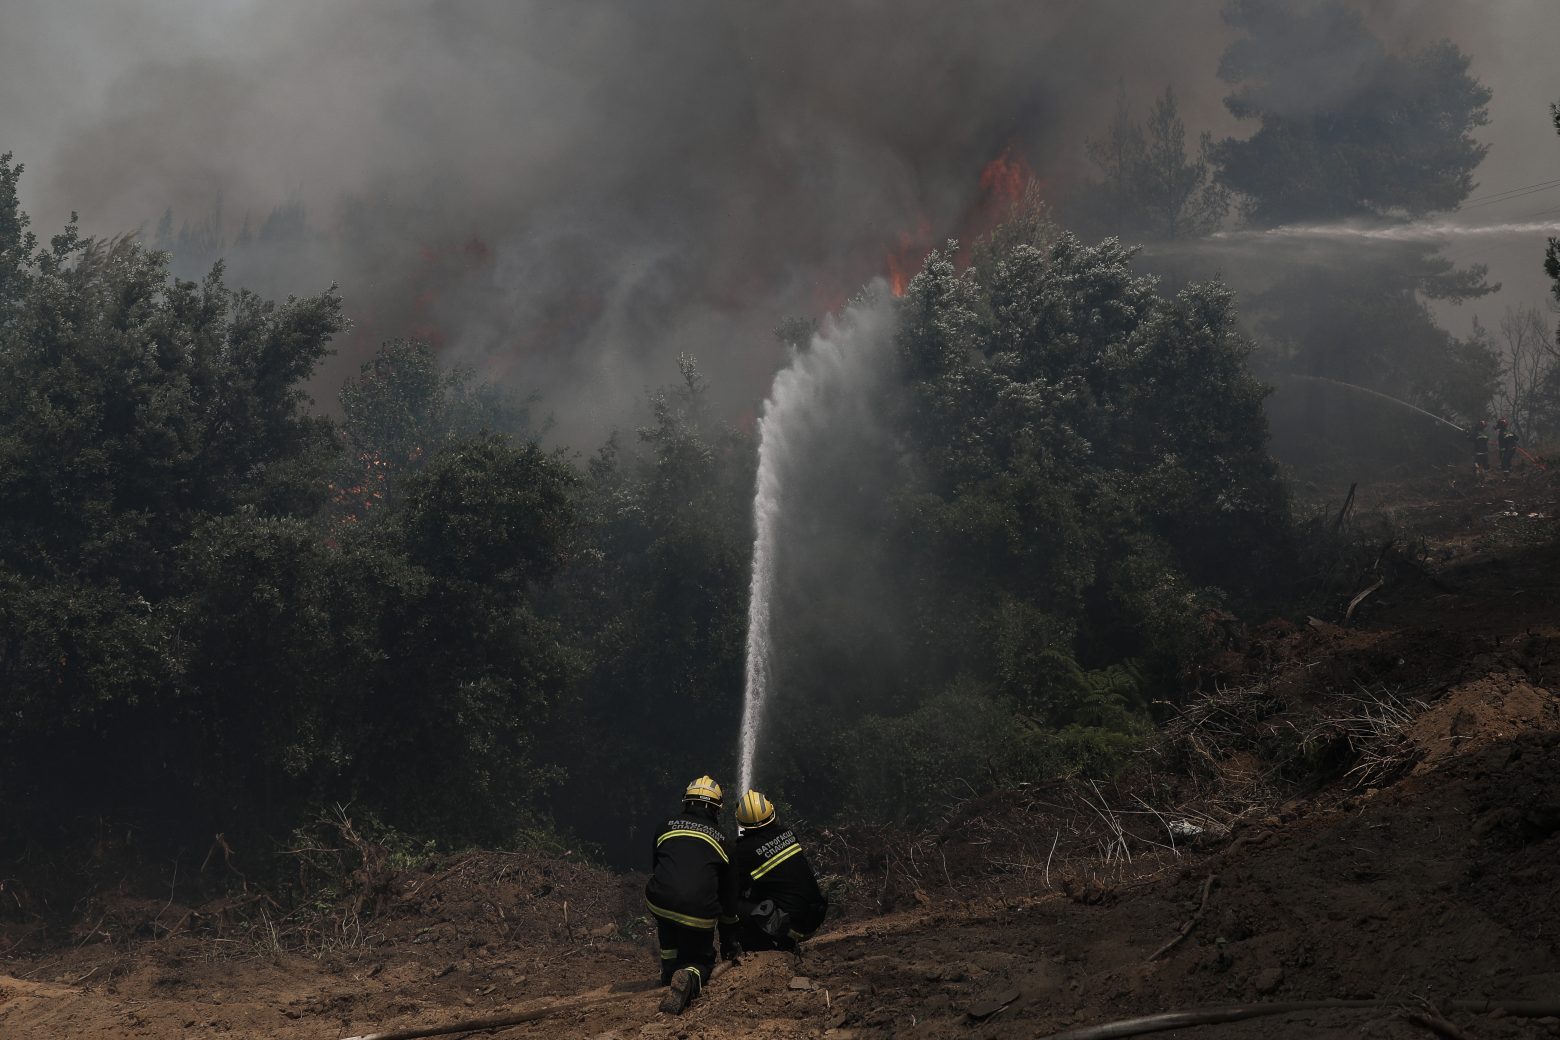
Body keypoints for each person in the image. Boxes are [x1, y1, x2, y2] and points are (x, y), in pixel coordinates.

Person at [644, 776, 740, 1015]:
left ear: (686, 802)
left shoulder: (665, 826)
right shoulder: (724, 841)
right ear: (717, 809)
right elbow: (728, 898)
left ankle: (668, 970)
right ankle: (690, 975)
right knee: (701, 959)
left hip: (660, 901)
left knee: (668, 918)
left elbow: (658, 866)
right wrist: (729, 941)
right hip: (699, 912)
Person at [732, 790, 829, 952]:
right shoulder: (788, 834)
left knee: (733, 903)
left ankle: (764, 952)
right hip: (815, 917)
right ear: (772, 813)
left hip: (792, 927)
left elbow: (734, 889)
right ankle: (786, 944)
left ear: (740, 820)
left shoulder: (743, 852)